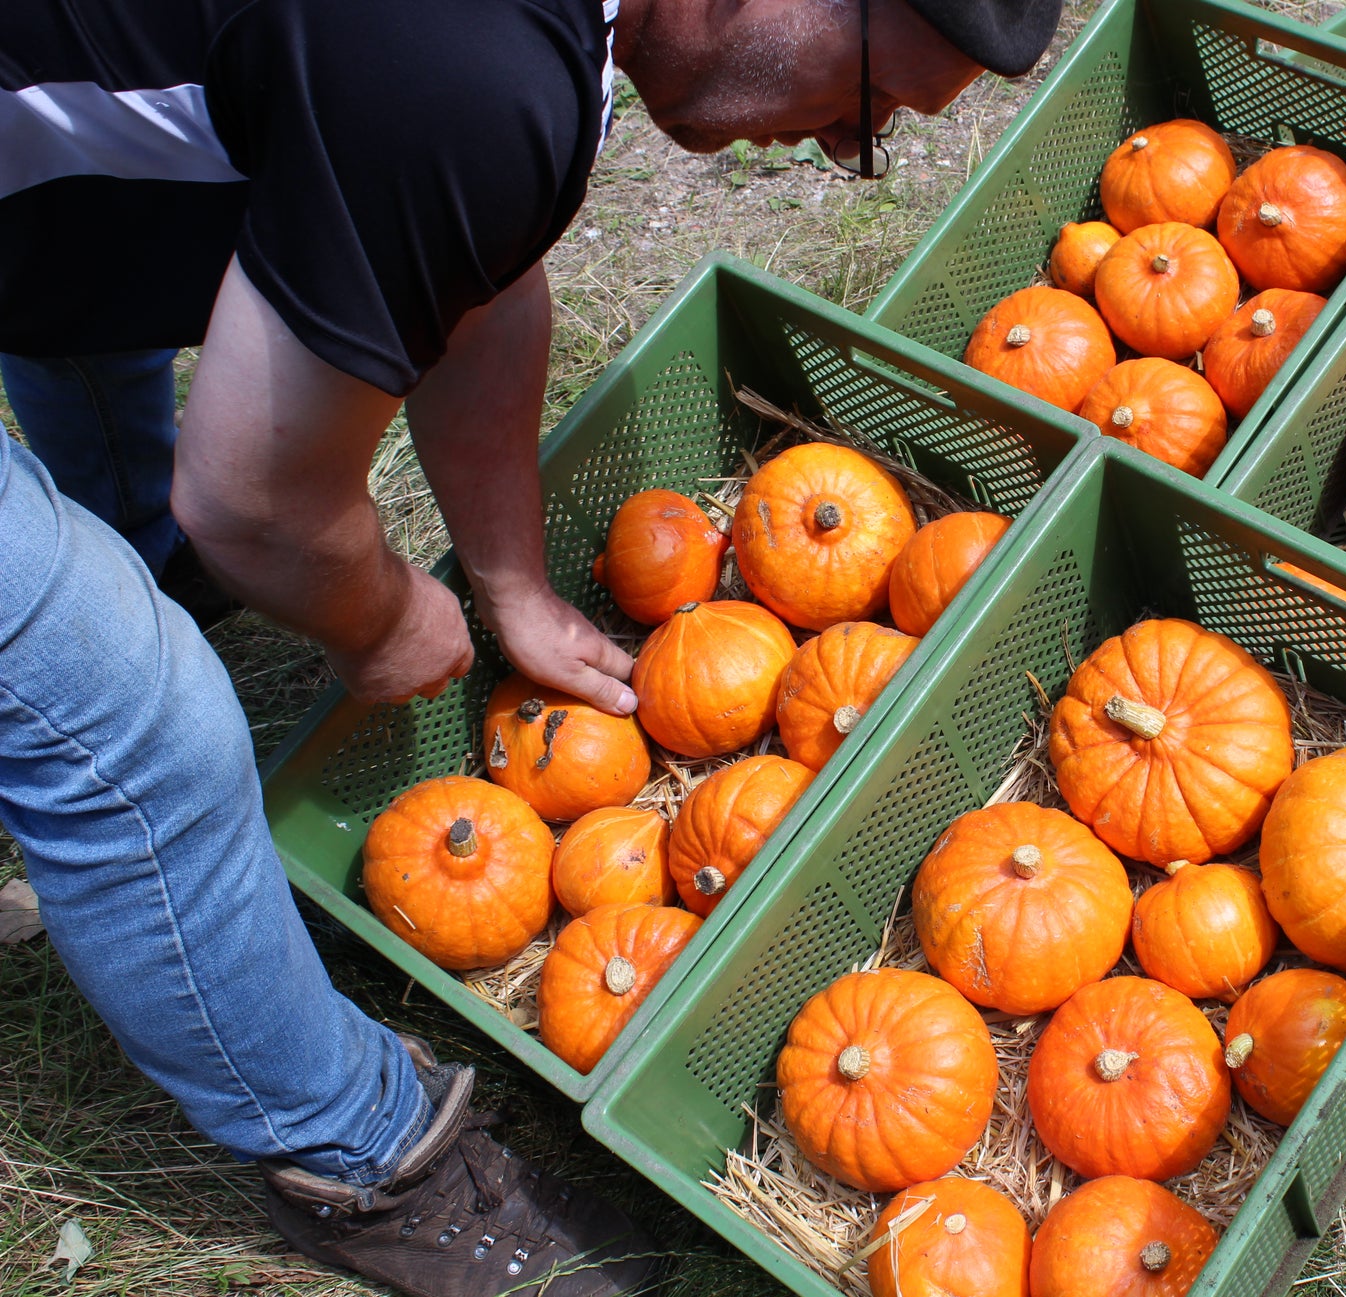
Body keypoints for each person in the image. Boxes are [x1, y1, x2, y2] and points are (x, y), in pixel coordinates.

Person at [0, 2, 1061, 1294]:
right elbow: (255, 503)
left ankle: (113, 527)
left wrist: (505, 576)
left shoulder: (521, 54)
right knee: (124, 713)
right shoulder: (467, 66)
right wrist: (379, 618)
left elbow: (481, 276)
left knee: (113, 248)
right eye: (868, 105)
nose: (844, 145)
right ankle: (361, 1159)